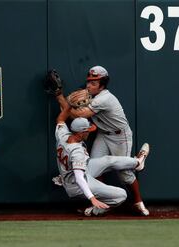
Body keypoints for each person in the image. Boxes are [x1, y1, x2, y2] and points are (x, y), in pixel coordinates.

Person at [55, 65, 150, 216]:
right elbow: (74, 116)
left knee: (124, 174)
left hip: (119, 136)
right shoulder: (91, 95)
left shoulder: (105, 98)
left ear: (102, 85)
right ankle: (102, 203)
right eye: (88, 82)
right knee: (93, 166)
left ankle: (138, 201)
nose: (88, 85)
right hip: (103, 134)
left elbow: (78, 115)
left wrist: (60, 98)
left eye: (94, 83)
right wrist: (60, 97)